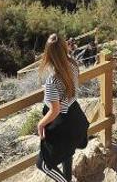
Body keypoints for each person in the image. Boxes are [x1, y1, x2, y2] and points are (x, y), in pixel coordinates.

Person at [36, 34, 89, 182]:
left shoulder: (52, 80)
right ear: (64, 48)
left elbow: (55, 110)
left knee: (43, 164)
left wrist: (40, 123)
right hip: (75, 116)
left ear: (47, 53)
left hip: (62, 123)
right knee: (67, 153)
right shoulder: (72, 64)